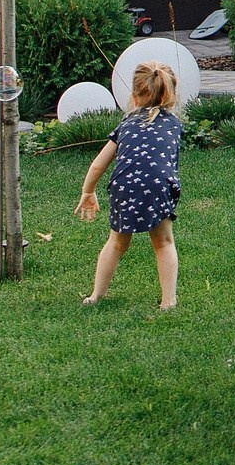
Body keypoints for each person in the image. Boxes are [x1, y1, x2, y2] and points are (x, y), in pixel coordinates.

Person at [76, 61, 185, 309]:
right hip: (158, 185)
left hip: (124, 185)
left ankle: (96, 296)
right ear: (171, 94)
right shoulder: (175, 125)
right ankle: (168, 300)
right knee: (163, 243)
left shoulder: (125, 125)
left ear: (135, 95)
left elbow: (97, 165)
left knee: (116, 242)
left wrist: (88, 191)